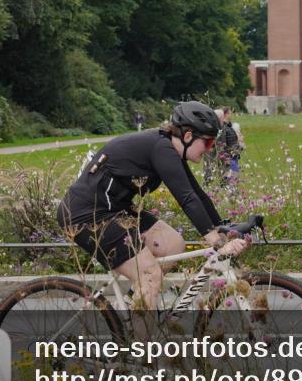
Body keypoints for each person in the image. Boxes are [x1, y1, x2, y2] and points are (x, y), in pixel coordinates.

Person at [56, 101, 249, 324]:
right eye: (207, 142)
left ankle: (136, 307)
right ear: (187, 136)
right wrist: (216, 241)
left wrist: (223, 227)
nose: (210, 149)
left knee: (173, 244)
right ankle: (143, 354)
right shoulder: (162, 149)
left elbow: (197, 194)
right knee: (149, 275)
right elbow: (185, 198)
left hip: (113, 209)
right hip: (85, 214)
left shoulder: (168, 148)